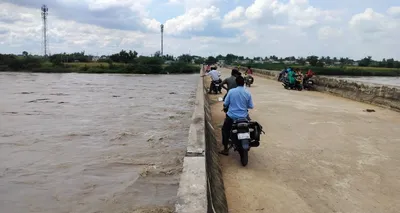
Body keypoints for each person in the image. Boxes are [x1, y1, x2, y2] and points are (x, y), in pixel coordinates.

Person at [220, 76, 254, 156]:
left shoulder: (231, 91)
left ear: (236, 83)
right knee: (249, 128)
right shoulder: (247, 92)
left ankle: (225, 149)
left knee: (225, 131)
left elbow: (225, 103)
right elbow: (251, 106)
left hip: (231, 116)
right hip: (244, 117)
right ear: (244, 83)